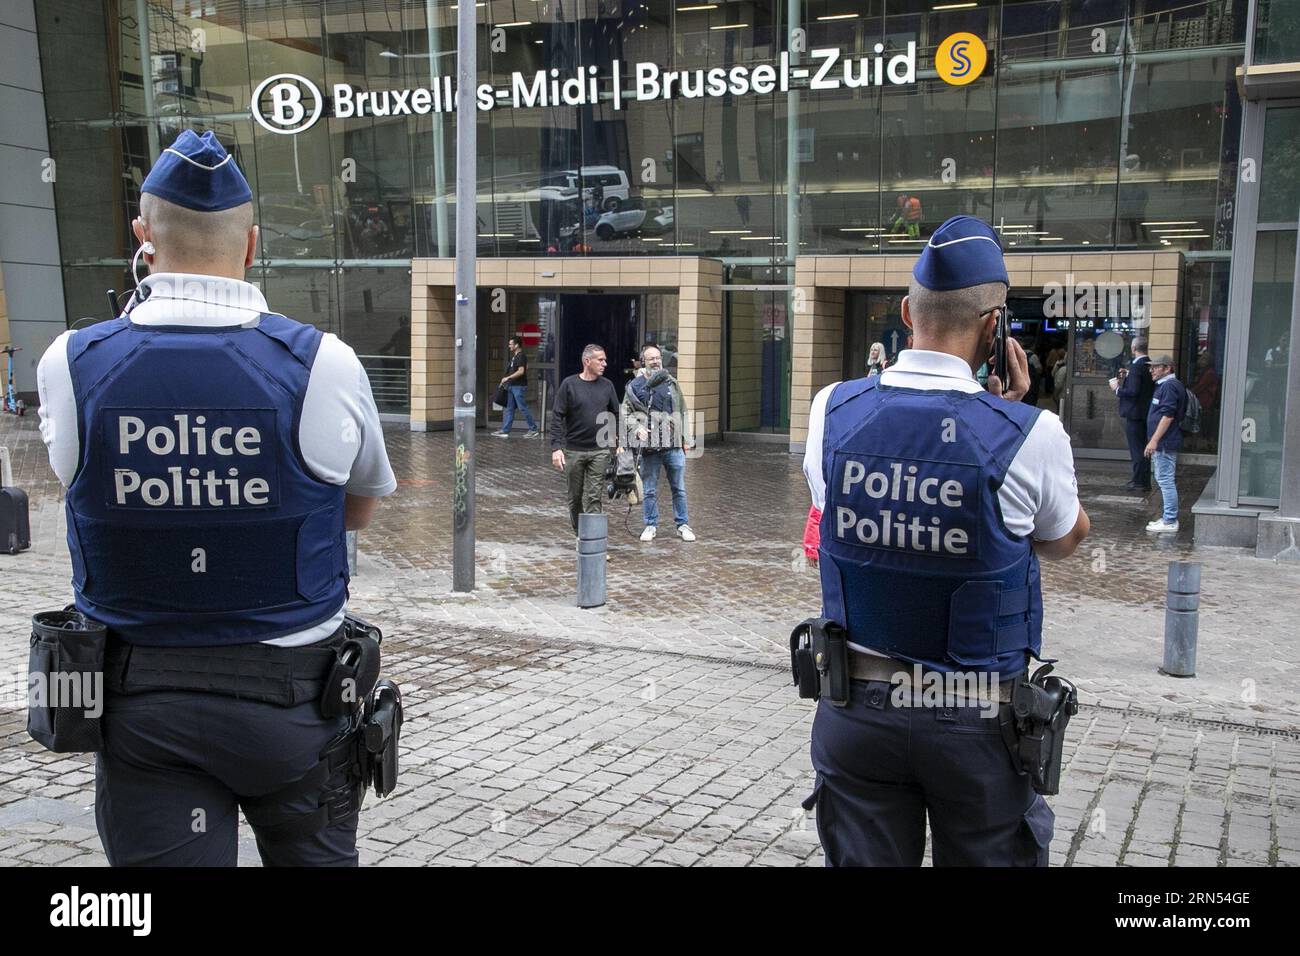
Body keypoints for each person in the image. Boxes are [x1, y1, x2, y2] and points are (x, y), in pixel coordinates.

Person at [35, 130, 397, 866]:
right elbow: (355, 509)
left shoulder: (69, 365)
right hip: (296, 709)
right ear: (253, 243)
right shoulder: (325, 362)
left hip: (142, 709)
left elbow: (91, 496)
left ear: (142, 234)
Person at [800, 215, 1090, 867]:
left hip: (857, 710)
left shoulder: (830, 412)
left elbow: (845, 514)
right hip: (978, 726)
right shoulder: (1030, 434)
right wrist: (1010, 411)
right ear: (995, 329)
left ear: (907, 312)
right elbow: (1065, 539)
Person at [625, 345, 696, 543]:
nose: (656, 361)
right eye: (651, 359)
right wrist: (636, 428)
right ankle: (650, 525)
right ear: (643, 362)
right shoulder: (634, 387)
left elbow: (683, 411)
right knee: (649, 490)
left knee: (679, 488)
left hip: (673, 446)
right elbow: (626, 413)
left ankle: (683, 525)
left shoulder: (671, 383)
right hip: (649, 448)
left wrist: (686, 440)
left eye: (658, 358)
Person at [551, 344, 620, 535]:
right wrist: (556, 448)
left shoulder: (607, 386)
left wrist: (618, 442)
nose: (605, 363)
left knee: (594, 496)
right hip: (574, 450)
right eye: (601, 360)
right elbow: (557, 416)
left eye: (605, 360)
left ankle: (591, 541)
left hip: (600, 450)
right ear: (587, 361)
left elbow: (616, 413)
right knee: (575, 497)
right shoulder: (569, 384)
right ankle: (579, 534)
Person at [1144, 354, 1187, 533]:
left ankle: (1170, 520)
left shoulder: (1169, 386)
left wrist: (1154, 440)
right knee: (1164, 479)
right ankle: (1168, 517)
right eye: (1151, 367)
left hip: (1165, 442)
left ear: (1167, 368)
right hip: (1164, 441)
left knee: (1165, 480)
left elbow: (1168, 415)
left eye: (1156, 367)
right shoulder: (1166, 385)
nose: (1151, 370)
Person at [1113, 335, 1155, 493]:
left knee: (1137, 449)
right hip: (1145, 413)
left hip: (1135, 414)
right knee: (1143, 448)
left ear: (1133, 348)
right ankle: (1143, 480)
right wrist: (1129, 373)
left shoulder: (1137, 367)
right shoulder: (1147, 364)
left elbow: (1133, 391)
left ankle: (1138, 481)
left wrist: (1117, 389)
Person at [492, 335, 540, 438]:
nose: (509, 346)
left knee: (523, 408)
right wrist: (506, 379)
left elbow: (521, 371)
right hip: (512, 386)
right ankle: (505, 430)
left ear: (516, 345)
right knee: (509, 409)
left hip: (518, 386)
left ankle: (533, 429)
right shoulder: (516, 356)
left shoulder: (521, 356)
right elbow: (524, 367)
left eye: (511, 344)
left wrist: (508, 378)